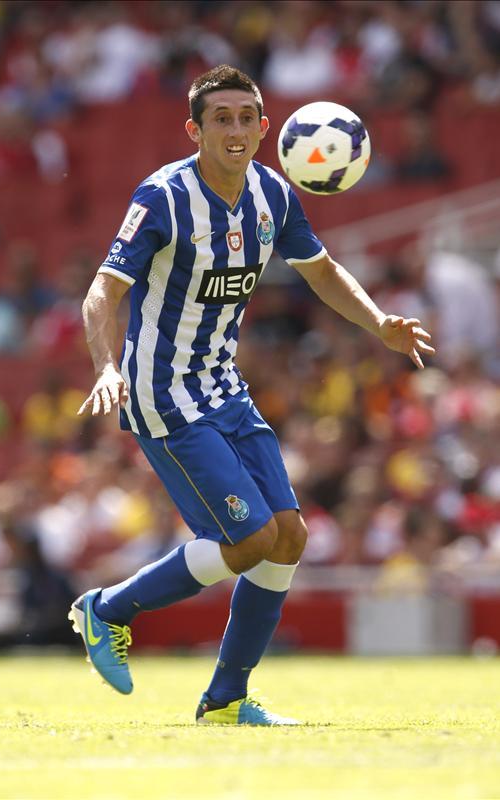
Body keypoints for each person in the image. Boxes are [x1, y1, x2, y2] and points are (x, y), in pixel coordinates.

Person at [69, 65, 435, 726]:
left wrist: (379, 322)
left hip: (223, 386)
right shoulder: (164, 197)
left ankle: (226, 700)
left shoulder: (272, 194)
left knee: (288, 537)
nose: (235, 129)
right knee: (249, 540)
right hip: (162, 392)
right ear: (194, 130)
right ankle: (107, 609)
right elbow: (104, 290)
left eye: (246, 118)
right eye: (221, 118)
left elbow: (321, 270)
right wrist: (106, 366)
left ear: (266, 128)